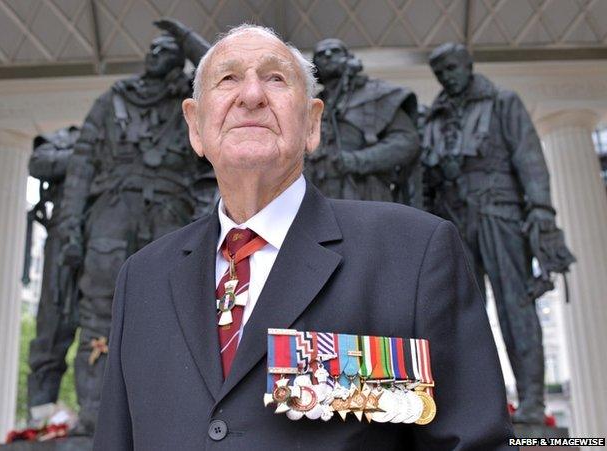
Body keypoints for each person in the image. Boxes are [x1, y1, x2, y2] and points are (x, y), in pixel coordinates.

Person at [94, 25, 514, 449]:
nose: (251, 95)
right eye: (228, 79)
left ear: (312, 123)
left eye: (276, 78)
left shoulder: (413, 252)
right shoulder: (142, 277)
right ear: (195, 127)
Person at [58, 19, 215, 435]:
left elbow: (220, 68)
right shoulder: (112, 101)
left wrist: (188, 37)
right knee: (96, 312)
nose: (154, 53)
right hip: (113, 213)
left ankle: (165, 418)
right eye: (152, 47)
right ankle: (92, 419)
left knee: (174, 314)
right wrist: (70, 229)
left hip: (170, 216)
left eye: (167, 48)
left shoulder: (192, 102)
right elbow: (80, 168)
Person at [422, 43, 574, 424]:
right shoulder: (434, 116)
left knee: (515, 309)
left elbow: (530, 159)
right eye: (440, 72)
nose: (448, 76)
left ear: (469, 65)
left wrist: (541, 210)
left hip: (499, 216)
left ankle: (533, 404)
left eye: (453, 67)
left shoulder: (503, 102)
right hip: (453, 220)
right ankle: (474, 405)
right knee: (460, 314)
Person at [305, 39, 420, 205]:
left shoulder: (377, 93)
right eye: (321, 54)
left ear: (349, 57)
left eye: (335, 51)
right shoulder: (310, 106)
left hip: (365, 193)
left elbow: (407, 142)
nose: (328, 55)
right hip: (320, 195)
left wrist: (357, 160)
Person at [26, 127, 80, 418]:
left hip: (111, 250)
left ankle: (95, 420)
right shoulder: (74, 137)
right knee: (50, 329)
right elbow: (39, 161)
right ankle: (40, 419)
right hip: (63, 243)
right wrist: (87, 155)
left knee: (105, 338)